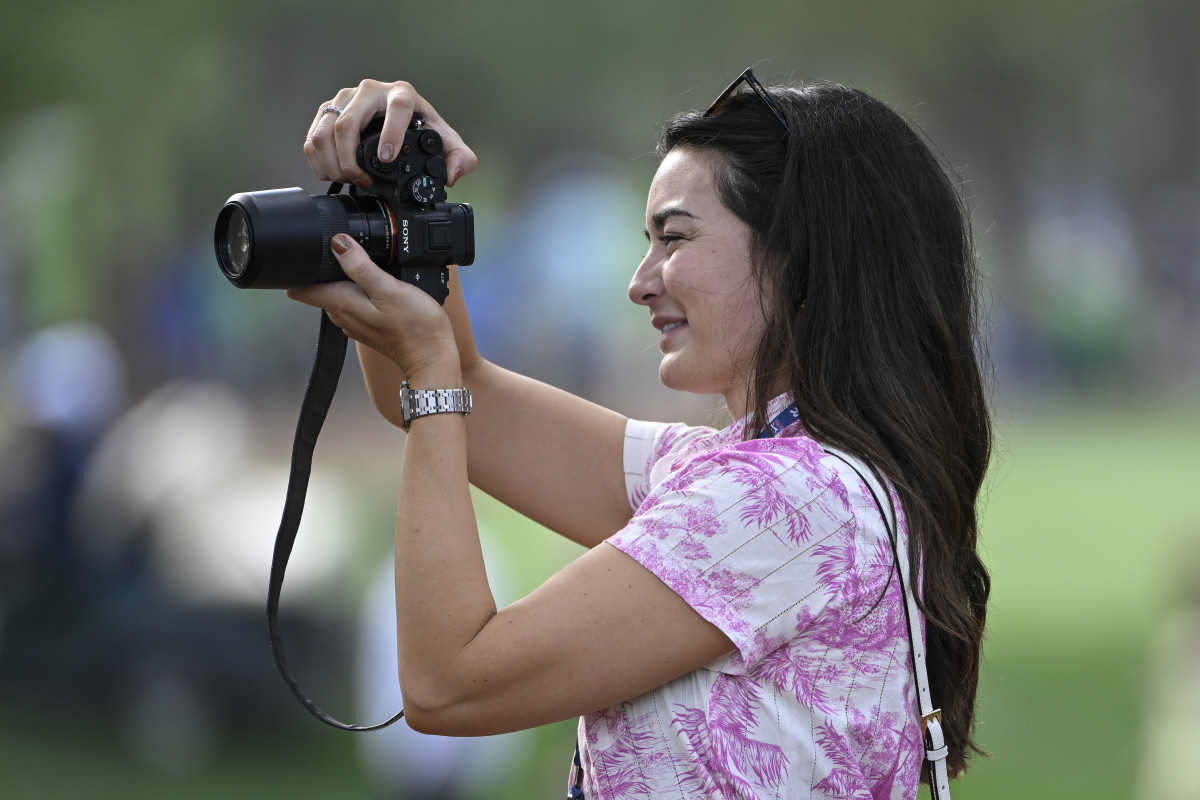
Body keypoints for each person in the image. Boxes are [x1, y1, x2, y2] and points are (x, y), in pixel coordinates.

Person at [288, 70, 992, 799]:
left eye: (674, 239)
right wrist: (398, 192)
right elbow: (459, 400)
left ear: (802, 256)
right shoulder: (780, 480)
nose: (640, 280)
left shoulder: (784, 501)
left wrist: (431, 369)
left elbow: (449, 684)